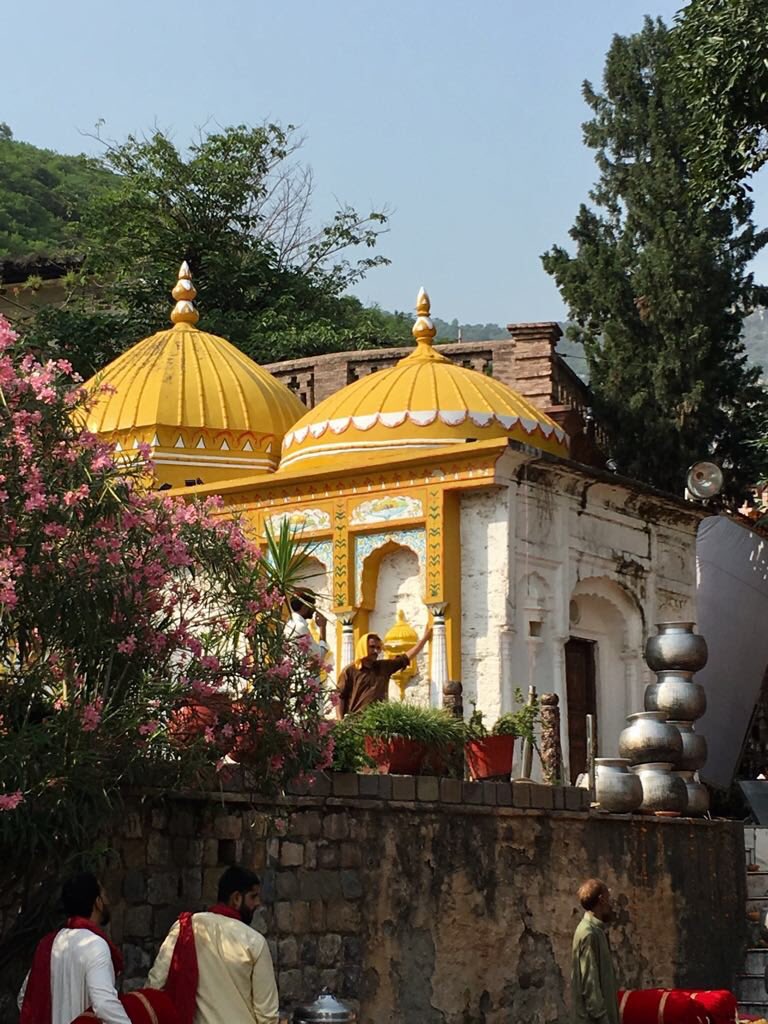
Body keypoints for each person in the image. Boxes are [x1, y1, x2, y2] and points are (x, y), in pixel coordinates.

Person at [148, 865, 278, 1024]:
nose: (258, 903)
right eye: (253, 896)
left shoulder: (185, 928)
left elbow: (155, 984)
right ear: (236, 898)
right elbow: (267, 1016)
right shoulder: (254, 942)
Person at [18, 871, 131, 1024]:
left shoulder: (48, 944)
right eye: (103, 895)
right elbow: (104, 1006)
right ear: (97, 903)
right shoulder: (95, 945)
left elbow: (24, 999)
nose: (107, 901)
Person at [336, 625, 432, 718]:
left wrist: (424, 639)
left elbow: (406, 657)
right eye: (372, 647)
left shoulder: (384, 667)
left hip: (378, 721)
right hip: (355, 723)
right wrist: (340, 720)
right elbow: (339, 696)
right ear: (362, 647)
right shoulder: (349, 671)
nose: (376, 651)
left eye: (378, 648)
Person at [571, 878, 619, 1024]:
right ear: (601, 900)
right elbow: (590, 983)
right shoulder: (588, 933)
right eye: (608, 898)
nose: (610, 904)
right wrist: (603, 1019)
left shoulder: (595, 931)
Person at [284, 592, 332, 668]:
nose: (313, 610)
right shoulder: (300, 627)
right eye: (312, 606)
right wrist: (322, 627)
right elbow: (319, 655)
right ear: (305, 607)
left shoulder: (289, 623)